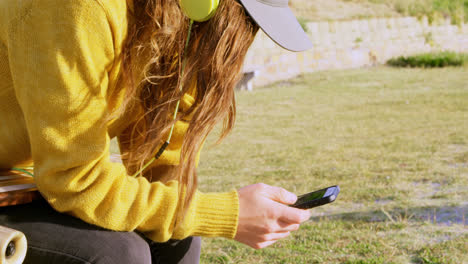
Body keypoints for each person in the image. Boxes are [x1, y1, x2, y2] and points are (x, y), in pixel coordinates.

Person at [0, 0, 313, 263]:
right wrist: (226, 213)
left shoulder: (171, 18)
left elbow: (162, 160)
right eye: (243, 19)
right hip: (21, 184)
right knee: (117, 253)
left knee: (181, 239)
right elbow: (75, 179)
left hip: (31, 183)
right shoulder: (77, 9)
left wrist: (193, 56)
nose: (242, 35)